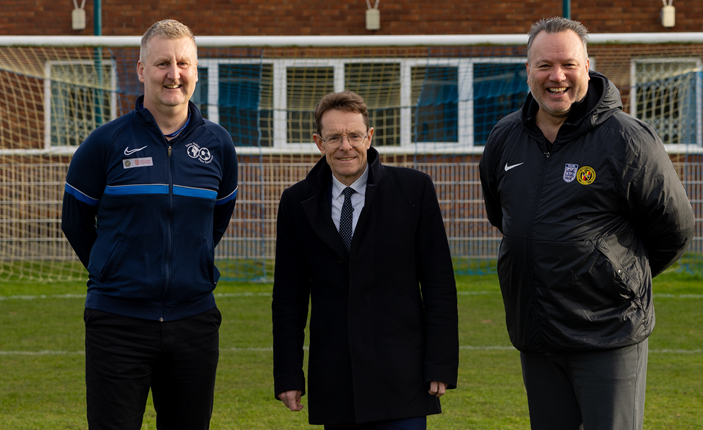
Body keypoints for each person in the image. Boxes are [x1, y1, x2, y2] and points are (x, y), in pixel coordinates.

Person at [479, 17, 695, 430]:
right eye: (544, 65)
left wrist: (618, 276)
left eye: (568, 65)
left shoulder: (627, 138)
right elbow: (504, 216)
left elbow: (675, 228)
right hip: (537, 333)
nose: (556, 76)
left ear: (588, 66)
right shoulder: (505, 136)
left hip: (607, 335)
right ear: (527, 69)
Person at [61, 19, 238, 430]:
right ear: (142, 71)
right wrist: (114, 271)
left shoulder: (218, 145)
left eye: (183, 63)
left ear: (195, 69)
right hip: (117, 324)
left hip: (194, 322)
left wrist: (189, 268)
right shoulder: (105, 142)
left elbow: (217, 221)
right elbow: (75, 222)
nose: (173, 74)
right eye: (161, 64)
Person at [272, 90, 459, 429]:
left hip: (402, 374)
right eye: (334, 137)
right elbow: (288, 298)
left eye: (354, 135)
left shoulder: (414, 189)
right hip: (335, 375)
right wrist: (287, 373)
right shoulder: (296, 202)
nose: (345, 146)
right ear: (319, 142)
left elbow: (439, 284)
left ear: (369, 137)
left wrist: (441, 364)